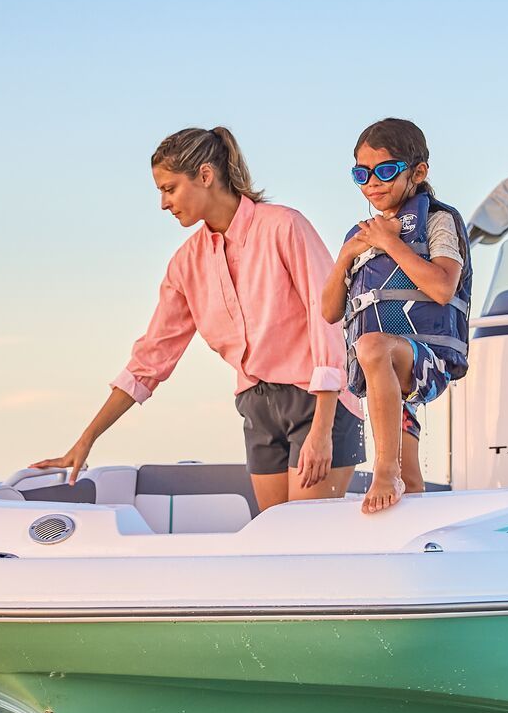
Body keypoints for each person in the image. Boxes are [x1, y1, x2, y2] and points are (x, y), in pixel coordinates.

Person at [35, 127, 359, 508]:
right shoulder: (185, 265)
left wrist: (322, 428)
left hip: (319, 400)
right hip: (257, 406)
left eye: (169, 189)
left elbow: (329, 321)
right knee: (274, 542)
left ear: (205, 176)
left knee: (305, 539)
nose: (163, 203)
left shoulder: (284, 227)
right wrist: (86, 440)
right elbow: (149, 361)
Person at [321, 118, 471, 513]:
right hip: (384, 374)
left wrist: (391, 243)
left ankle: (383, 470)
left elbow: (441, 287)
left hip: (427, 357)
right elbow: (329, 311)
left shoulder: (438, 221)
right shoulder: (359, 236)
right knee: (413, 475)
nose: (373, 183)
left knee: (371, 345)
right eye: (361, 174)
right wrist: (344, 258)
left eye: (386, 171)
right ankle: (416, 545)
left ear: (418, 172)